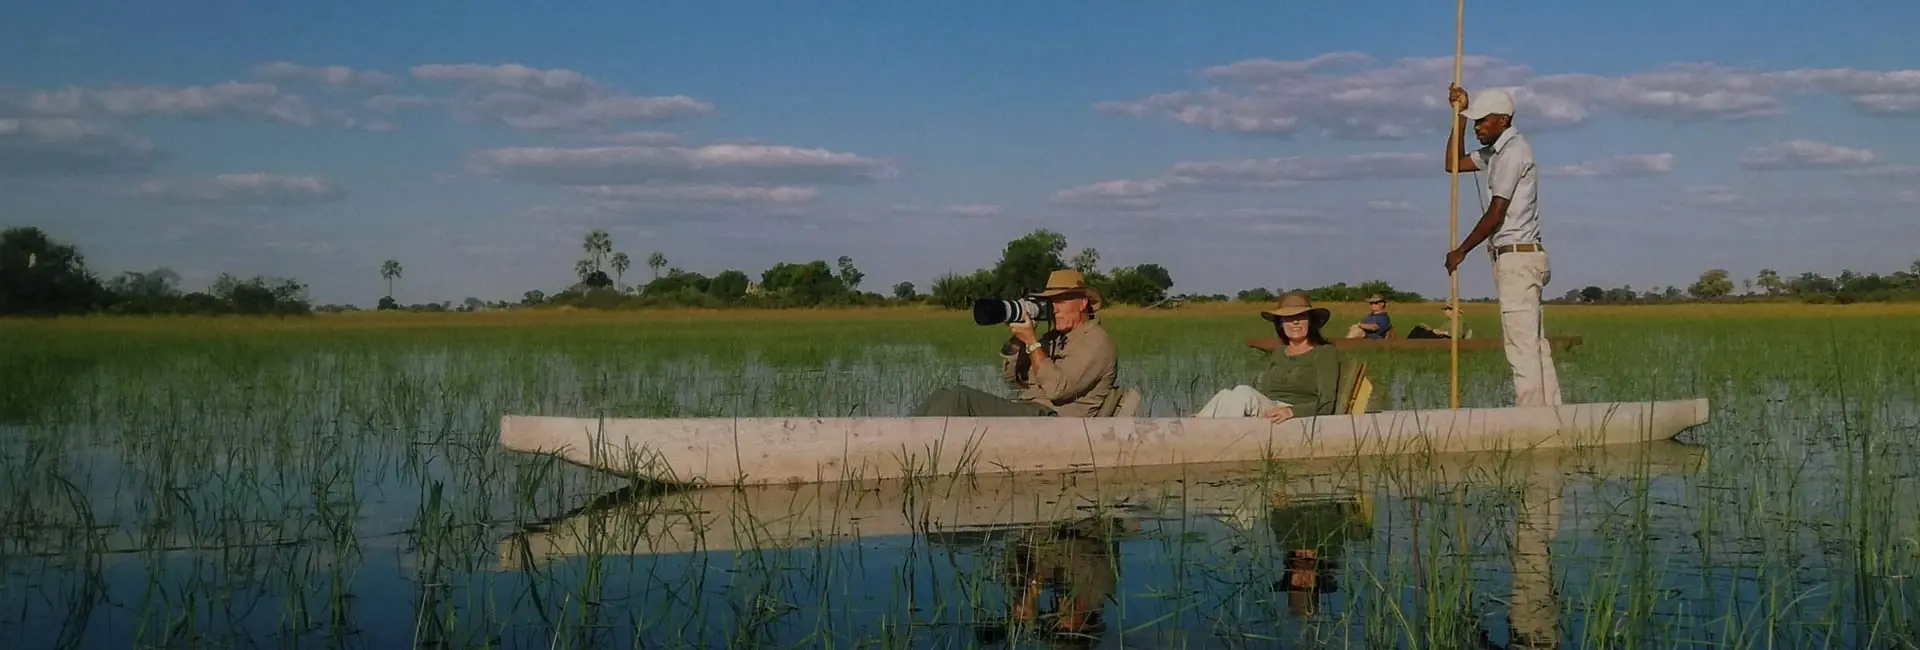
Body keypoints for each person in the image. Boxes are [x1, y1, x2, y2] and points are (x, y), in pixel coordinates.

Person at [1444, 85, 1563, 407]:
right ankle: (1551, 412)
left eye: (1482, 121)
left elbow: (1497, 211)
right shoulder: (1495, 152)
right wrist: (1460, 117)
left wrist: (1462, 250)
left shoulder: (1513, 152)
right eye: (1476, 122)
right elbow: (1453, 164)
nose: (1478, 126)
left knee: (1521, 344)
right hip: (1517, 257)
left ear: (1503, 119)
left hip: (1517, 257)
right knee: (1534, 344)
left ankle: (1531, 417)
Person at [912, 269, 1118, 417]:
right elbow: (1014, 377)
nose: (1054, 308)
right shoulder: (1055, 337)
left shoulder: (1096, 341)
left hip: (1054, 420)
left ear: (1082, 303)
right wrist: (1019, 340)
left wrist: (1033, 343)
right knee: (943, 394)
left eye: (1061, 300)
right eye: (1051, 301)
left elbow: (1057, 388)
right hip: (1031, 410)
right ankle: (901, 436)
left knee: (958, 399)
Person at [1193, 291, 1341, 421]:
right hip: (1270, 410)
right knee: (1225, 395)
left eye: (1301, 316)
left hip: (1296, 417)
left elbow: (1327, 403)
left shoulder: (1324, 353)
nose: (1295, 322)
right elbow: (1264, 393)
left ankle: (1203, 432)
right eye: (1289, 318)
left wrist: (1292, 411)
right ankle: (1198, 425)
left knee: (1243, 392)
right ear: (1281, 324)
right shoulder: (1279, 353)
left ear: (1310, 322)